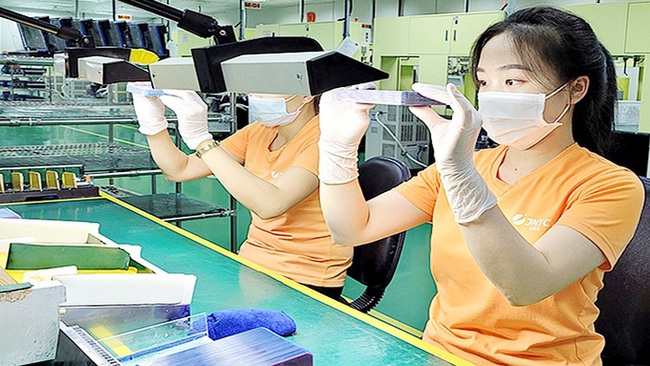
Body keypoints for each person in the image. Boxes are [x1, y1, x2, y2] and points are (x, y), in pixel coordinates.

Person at [317, 6, 644, 365]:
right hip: (440, 353)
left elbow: (526, 286)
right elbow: (351, 228)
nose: (490, 95)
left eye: (513, 81)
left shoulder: (610, 185)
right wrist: (337, 147)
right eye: (484, 81)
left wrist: (461, 176)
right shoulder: (465, 167)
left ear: (575, 89)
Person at [133, 90, 352, 299]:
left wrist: (203, 141)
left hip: (305, 274)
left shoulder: (326, 140)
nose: (255, 95)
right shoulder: (261, 131)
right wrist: (154, 125)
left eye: (267, 87)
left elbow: (271, 205)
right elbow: (179, 169)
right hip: (253, 262)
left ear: (306, 93)